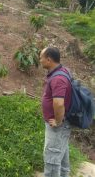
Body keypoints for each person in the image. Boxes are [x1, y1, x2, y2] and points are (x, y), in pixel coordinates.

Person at [40, 47, 72, 177]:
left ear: (48, 59)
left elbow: (59, 103)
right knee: (62, 153)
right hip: (63, 125)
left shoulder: (58, 78)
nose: (40, 60)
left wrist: (58, 121)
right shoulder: (62, 70)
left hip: (58, 126)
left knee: (52, 158)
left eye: (41, 57)